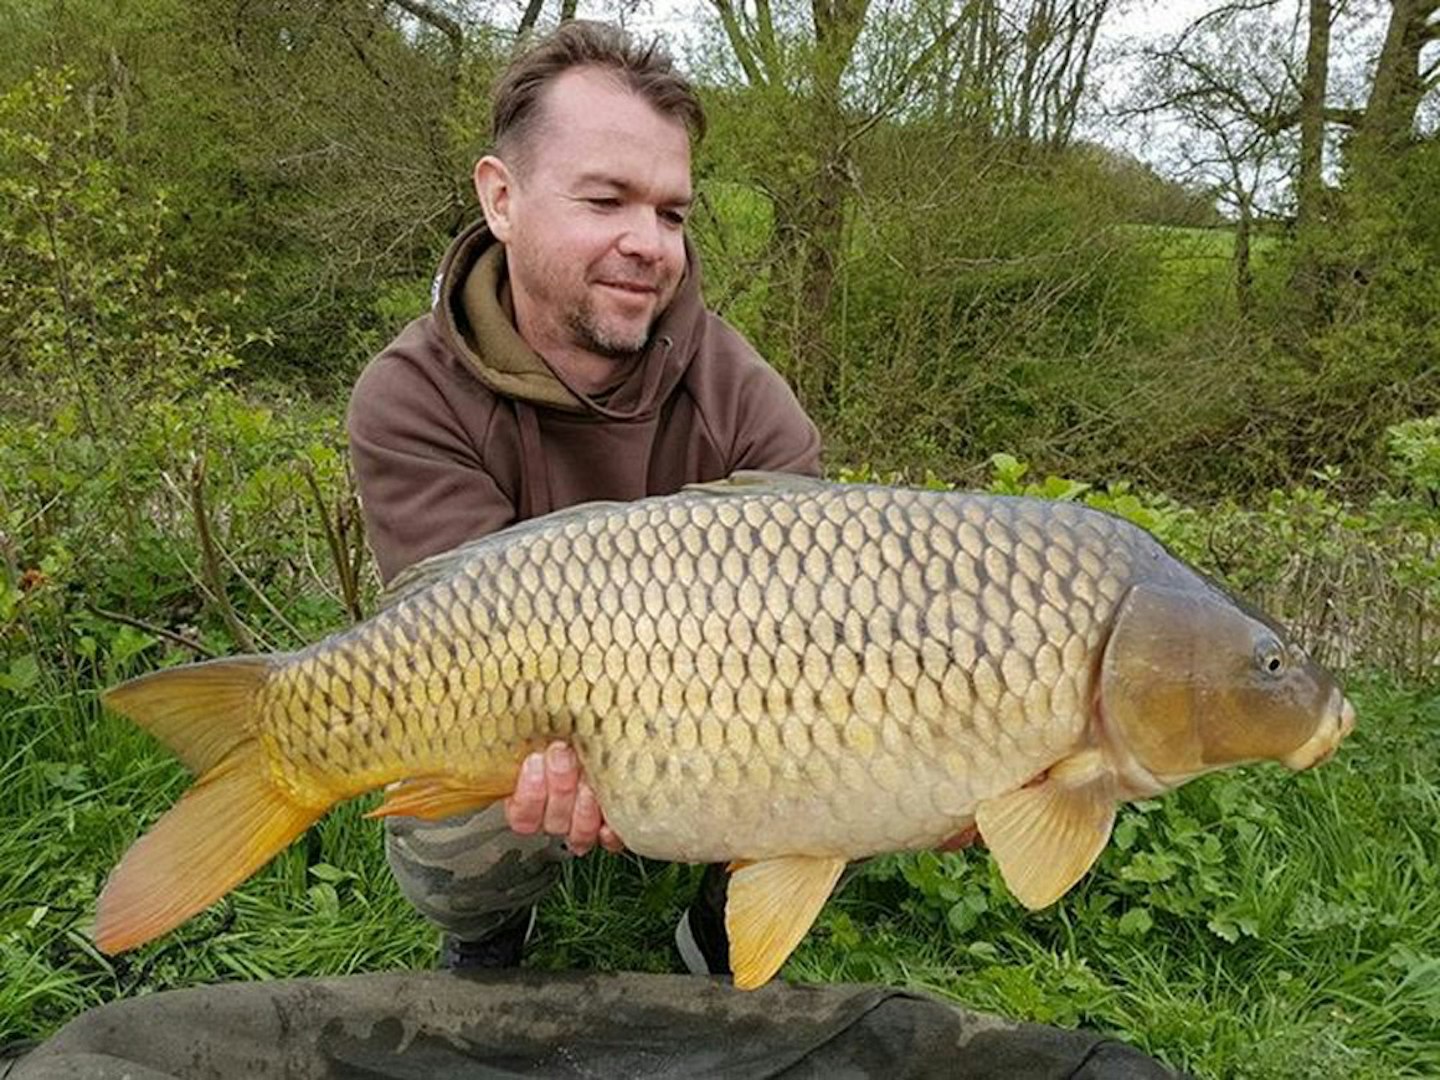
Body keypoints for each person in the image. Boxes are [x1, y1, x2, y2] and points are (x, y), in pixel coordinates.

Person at [346, 20, 821, 976]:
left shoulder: (745, 400)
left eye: (673, 213)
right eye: (606, 199)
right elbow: (450, 652)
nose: (649, 245)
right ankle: (488, 927)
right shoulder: (409, 399)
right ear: (503, 198)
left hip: (727, 706)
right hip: (508, 706)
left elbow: (815, 636)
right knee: (453, 834)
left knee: (859, 730)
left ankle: (716, 934)